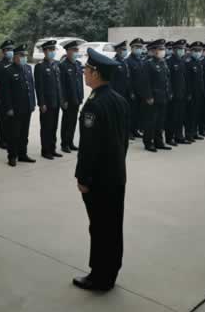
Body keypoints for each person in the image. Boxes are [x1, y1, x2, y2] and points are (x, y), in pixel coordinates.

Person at [73, 47, 129, 292]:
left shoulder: (94, 106)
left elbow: (89, 147)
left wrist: (83, 178)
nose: (84, 72)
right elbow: (123, 141)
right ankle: (111, 271)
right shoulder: (119, 100)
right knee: (113, 226)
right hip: (116, 174)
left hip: (99, 179)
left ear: (96, 73)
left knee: (99, 227)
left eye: (87, 69)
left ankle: (99, 276)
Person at [0, 44, 37, 167]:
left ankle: (22, 154)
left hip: (27, 106)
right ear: (15, 56)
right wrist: (9, 108)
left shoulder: (28, 68)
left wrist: (33, 103)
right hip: (15, 109)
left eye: (25, 55)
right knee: (14, 134)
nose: (24, 57)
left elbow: (31, 87)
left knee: (24, 133)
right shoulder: (8, 70)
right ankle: (12, 156)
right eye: (21, 55)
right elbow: (5, 92)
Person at [139, 39, 172, 152]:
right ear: (153, 50)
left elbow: (167, 80)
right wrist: (148, 96)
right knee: (151, 121)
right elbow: (145, 82)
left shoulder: (163, 62)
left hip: (163, 96)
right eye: (160, 49)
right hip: (153, 97)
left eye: (163, 49)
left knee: (160, 121)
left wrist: (169, 93)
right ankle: (148, 142)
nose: (163, 51)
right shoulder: (148, 64)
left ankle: (159, 142)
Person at [34, 40, 63, 159]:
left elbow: (59, 84)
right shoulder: (40, 66)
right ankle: (45, 151)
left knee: (54, 127)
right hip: (46, 103)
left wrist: (61, 99)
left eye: (53, 49)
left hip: (56, 101)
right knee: (46, 127)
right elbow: (39, 87)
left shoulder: (56, 64)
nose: (52, 52)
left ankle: (52, 148)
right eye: (50, 50)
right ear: (45, 51)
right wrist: (42, 103)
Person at [59, 40, 84, 154]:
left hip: (76, 98)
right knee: (66, 122)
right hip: (68, 100)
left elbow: (80, 82)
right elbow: (61, 85)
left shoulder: (78, 64)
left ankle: (70, 142)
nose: (76, 52)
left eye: (77, 50)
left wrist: (81, 96)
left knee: (73, 121)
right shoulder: (63, 65)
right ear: (67, 51)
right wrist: (63, 100)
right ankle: (64, 144)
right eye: (74, 50)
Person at [0, 39, 15, 150]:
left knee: (11, 121)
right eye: (8, 49)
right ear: (3, 51)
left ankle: (10, 139)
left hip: (12, 96)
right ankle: (2, 141)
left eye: (11, 49)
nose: (10, 51)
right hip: (2, 96)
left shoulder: (14, 63)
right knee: (2, 120)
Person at [165, 39, 188, 145]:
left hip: (182, 93)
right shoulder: (169, 61)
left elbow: (184, 78)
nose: (182, 50)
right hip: (173, 94)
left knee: (180, 117)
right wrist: (170, 93)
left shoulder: (182, 61)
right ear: (174, 49)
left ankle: (179, 136)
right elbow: (167, 79)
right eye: (180, 48)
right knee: (172, 117)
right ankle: (170, 138)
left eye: (183, 48)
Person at [184, 41, 204, 142]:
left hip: (198, 92)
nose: (198, 52)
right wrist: (188, 93)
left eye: (199, 50)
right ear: (191, 51)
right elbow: (187, 80)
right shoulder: (188, 63)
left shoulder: (198, 62)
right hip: (191, 93)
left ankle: (194, 132)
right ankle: (189, 134)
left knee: (197, 113)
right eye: (195, 50)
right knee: (190, 115)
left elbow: (200, 79)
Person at [125, 38, 145, 139]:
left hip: (140, 91)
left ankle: (135, 130)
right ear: (132, 48)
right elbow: (128, 79)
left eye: (140, 47)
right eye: (137, 47)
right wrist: (131, 91)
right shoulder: (128, 61)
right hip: (132, 92)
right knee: (131, 112)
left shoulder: (141, 60)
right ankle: (128, 131)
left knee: (138, 112)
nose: (139, 49)